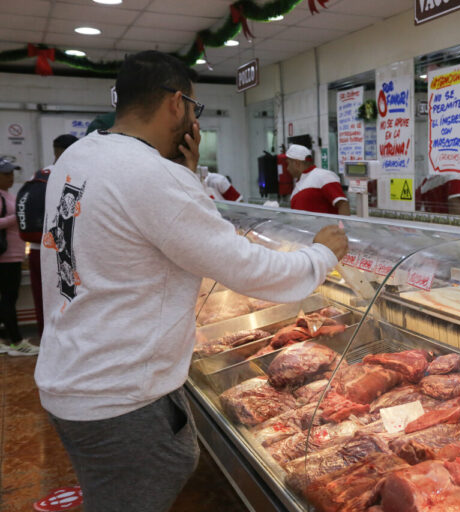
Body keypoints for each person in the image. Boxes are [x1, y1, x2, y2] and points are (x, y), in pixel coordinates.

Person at [34, 50, 348, 512]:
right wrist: (323, 253)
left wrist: (182, 175)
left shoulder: (80, 155)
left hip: (74, 378)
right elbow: (252, 271)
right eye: (193, 109)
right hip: (122, 400)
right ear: (177, 103)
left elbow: (150, 225)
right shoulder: (151, 177)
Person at [16, 134, 79, 338]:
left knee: (42, 303)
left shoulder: (39, 175)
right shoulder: (68, 175)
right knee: (64, 304)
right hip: (59, 253)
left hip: (35, 251)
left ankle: (46, 345)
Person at [0, 158, 39, 356]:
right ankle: (16, 341)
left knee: (7, 299)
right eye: (6, 174)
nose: (11, 178)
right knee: (7, 298)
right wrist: (17, 217)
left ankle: (6, 338)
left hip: (13, 255)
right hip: (5, 256)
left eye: (12, 173)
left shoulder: (8, 195)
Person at [286, 143, 350, 215]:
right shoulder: (299, 183)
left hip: (325, 226)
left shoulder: (323, 175)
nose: (287, 168)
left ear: (297, 163)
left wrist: (341, 226)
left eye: (288, 164)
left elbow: (343, 204)